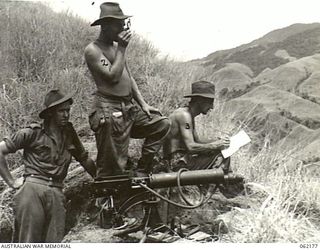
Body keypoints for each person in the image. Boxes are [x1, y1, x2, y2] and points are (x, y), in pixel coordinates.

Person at [84, 2, 170, 178]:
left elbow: (128, 77)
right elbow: (113, 77)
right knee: (111, 168)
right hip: (108, 110)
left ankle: (142, 170)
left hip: (128, 108)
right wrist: (122, 48)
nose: (124, 28)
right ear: (106, 25)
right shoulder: (93, 50)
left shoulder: (115, 48)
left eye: (124, 24)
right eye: (120, 24)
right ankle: (108, 200)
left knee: (162, 124)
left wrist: (143, 104)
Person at [0, 89, 96, 243]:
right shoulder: (32, 133)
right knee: (28, 242)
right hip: (32, 192)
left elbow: (84, 159)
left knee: (54, 242)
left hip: (57, 193)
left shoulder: (69, 133)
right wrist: (11, 182)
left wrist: (99, 179)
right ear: (51, 113)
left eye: (68, 110)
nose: (66, 114)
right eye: (61, 111)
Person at [163, 80, 231, 173]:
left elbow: (197, 141)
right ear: (199, 100)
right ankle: (222, 184)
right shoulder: (184, 115)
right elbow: (191, 147)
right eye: (210, 102)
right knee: (222, 154)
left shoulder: (188, 115)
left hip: (182, 159)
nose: (212, 107)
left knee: (222, 150)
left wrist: (218, 141)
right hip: (176, 163)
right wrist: (215, 145)